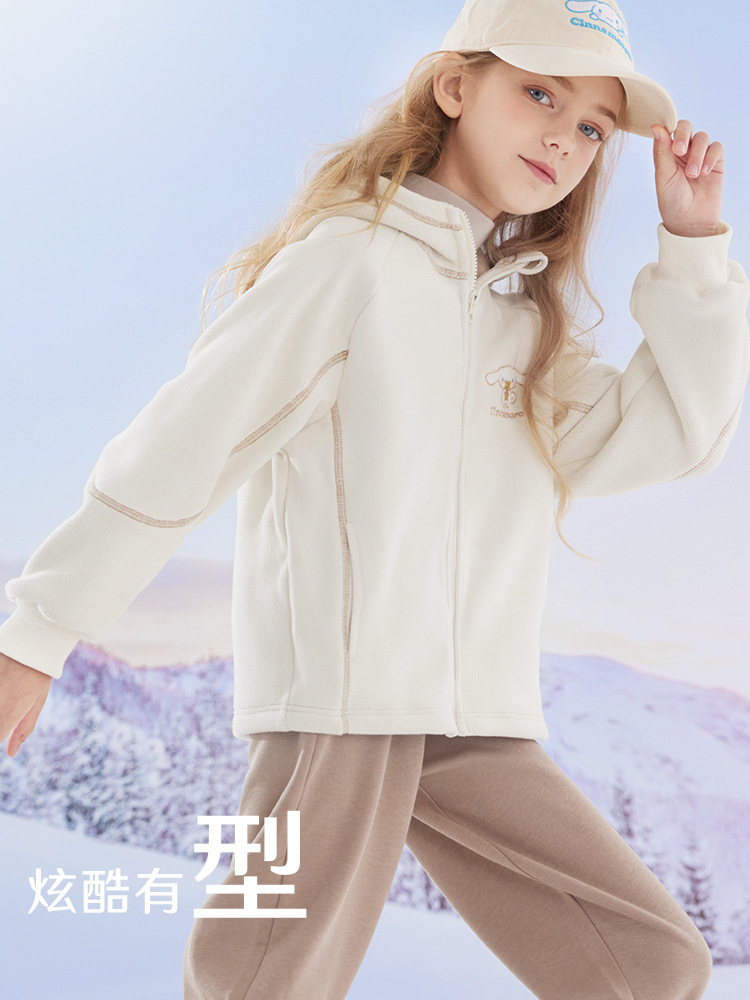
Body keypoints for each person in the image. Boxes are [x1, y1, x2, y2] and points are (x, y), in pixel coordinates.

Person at [1, 0, 748, 997]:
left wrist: (693, 248)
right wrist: (40, 630)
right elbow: (183, 445)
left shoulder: (523, 327)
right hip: (341, 714)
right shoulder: (349, 260)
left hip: (471, 721)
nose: (564, 140)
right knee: (263, 982)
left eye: (591, 127)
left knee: (648, 964)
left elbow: (673, 435)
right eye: (539, 94)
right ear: (456, 86)